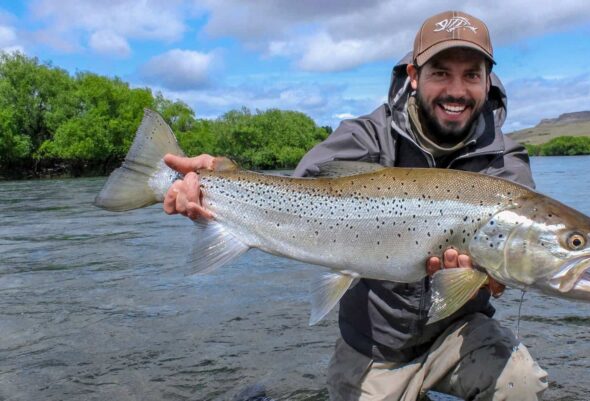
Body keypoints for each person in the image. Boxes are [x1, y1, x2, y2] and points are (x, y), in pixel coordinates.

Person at [162, 10, 548, 401]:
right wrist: (215, 181)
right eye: (441, 73)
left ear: (487, 81)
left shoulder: (505, 161)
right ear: (414, 76)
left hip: (461, 338)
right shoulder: (365, 135)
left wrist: (493, 276)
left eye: (471, 75)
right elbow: (296, 199)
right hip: (373, 348)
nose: (456, 90)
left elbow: (519, 263)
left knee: (521, 382)